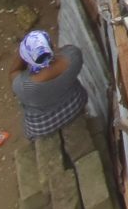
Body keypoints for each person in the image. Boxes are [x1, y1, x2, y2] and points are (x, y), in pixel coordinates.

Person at [12, 30, 89, 166]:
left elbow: (13, 72)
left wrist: (21, 52)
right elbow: (64, 51)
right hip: (75, 106)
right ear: (50, 46)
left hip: (41, 127)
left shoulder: (24, 85)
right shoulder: (73, 57)